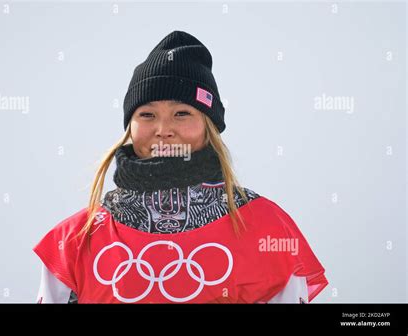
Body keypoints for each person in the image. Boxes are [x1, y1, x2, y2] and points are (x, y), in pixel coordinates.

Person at [33, 30, 328, 304]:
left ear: (208, 125)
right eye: (147, 114)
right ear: (130, 126)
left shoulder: (265, 227)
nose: (163, 129)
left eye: (181, 113)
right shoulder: (74, 240)